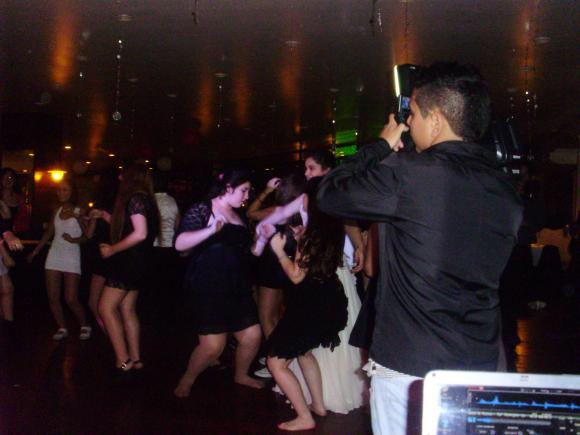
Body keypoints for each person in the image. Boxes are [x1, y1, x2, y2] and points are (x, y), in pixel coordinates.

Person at [316, 62, 523, 434]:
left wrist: (380, 145)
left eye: (412, 114)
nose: (408, 124)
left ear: (436, 120)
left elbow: (330, 194)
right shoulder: (504, 188)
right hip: (483, 358)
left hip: (413, 366)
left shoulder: (410, 173)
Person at [263, 178, 348, 431]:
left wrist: (279, 251)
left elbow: (296, 276)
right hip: (328, 301)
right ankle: (318, 406)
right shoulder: (333, 227)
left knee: (275, 363)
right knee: (303, 352)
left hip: (310, 307)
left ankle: (304, 417)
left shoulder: (313, 233)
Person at [174, 169, 263, 397]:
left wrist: (261, 239)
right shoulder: (203, 208)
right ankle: (188, 378)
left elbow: (247, 253)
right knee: (213, 347)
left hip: (237, 286)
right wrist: (210, 230)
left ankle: (241, 375)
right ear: (228, 188)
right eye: (244, 190)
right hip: (208, 286)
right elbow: (180, 244)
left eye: (249, 191)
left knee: (252, 336)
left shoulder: (237, 215)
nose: (247, 196)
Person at [92, 164, 159, 373]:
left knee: (105, 308)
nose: (120, 178)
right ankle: (135, 359)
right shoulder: (145, 199)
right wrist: (105, 216)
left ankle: (123, 360)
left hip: (129, 262)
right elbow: (132, 227)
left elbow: (140, 233)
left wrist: (112, 249)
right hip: (140, 262)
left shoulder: (135, 198)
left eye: (123, 174)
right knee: (127, 309)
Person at [247, 173, 305, 378]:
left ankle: (276, 359)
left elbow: (251, 213)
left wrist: (267, 190)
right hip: (289, 267)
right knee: (277, 316)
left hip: (272, 266)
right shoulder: (304, 211)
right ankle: (278, 355)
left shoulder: (277, 210)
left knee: (266, 316)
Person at [27, 177, 90, 341]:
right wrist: (36, 251)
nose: (61, 193)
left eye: (65, 190)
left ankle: (84, 325)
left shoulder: (80, 210)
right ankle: (62, 327)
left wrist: (74, 237)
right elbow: (49, 232)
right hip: (55, 253)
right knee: (53, 297)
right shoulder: (56, 209)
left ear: (72, 192)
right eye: (59, 190)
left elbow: (87, 236)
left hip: (72, 253)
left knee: (71, 298)